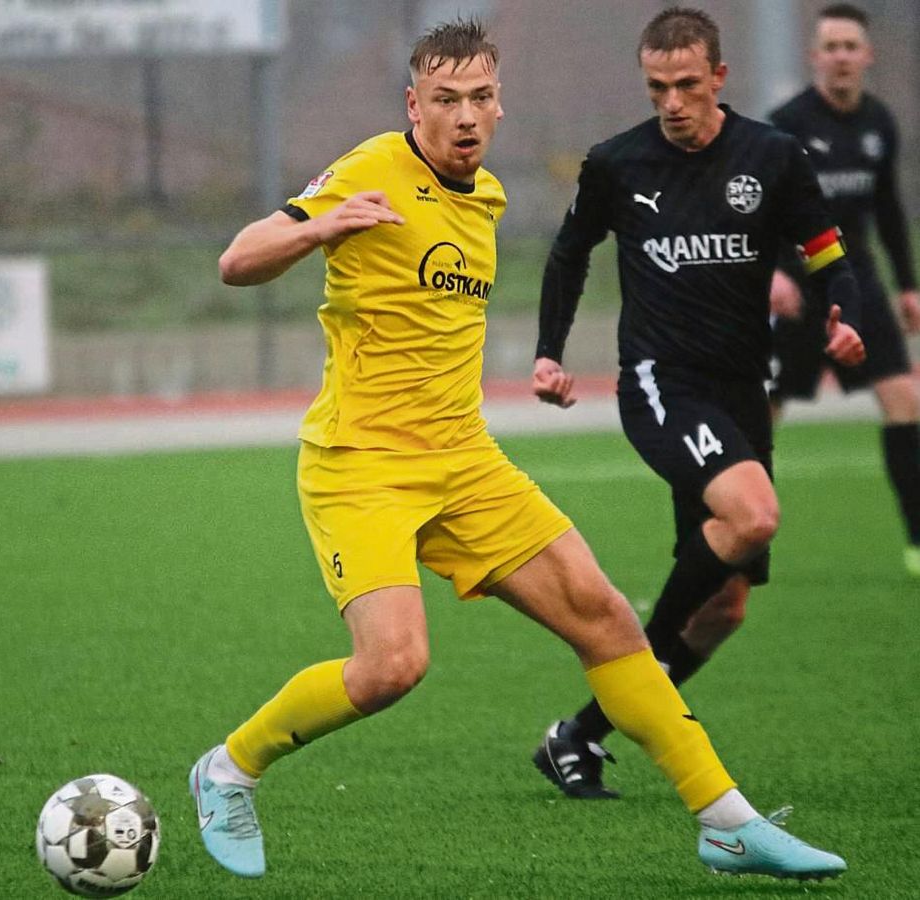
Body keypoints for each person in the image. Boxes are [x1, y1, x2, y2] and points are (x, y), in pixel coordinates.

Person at [188, 17, 848, 884]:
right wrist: (319, 227)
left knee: (606, 617)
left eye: (481, 98)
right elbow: (238, 260)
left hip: (464, 462)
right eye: (447, 100)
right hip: (361, 465)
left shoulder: (489, 197)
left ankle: (727, 822)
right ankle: (228, 770)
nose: (466, 117)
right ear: (413, 104)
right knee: (393, 667)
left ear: (500, 104)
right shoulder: (372, 166)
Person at [530, 6, 866, 806]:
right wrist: (549, 352)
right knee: (753, 514)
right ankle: (625, 662)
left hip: (741, 390)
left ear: (719, 77)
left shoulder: (773, 156)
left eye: (686, 84)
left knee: (725, 610)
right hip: (660, 383)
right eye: (657, 88)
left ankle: (578, 735)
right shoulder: (617, 163)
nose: (671, 102)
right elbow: (569, 254)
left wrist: (842, 310)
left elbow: (827, 251)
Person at [769, 2, 920, 578]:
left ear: (867, 56)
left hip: (857, 283)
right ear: (815, 57)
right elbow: (763, 210)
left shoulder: (880, 123)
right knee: (763, 414)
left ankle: (916, 540)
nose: (840, 57)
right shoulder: (785, 124)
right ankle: (741, 534)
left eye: (850, 47)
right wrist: (775, 273)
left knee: (904, 403)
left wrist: (907, 285)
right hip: (796, 286)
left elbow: (887, 209)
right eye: (830, 47)